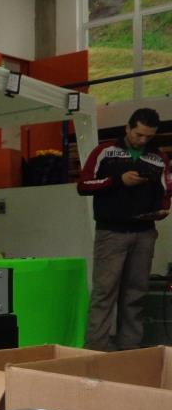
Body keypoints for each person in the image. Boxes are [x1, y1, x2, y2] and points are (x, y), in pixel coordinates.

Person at [78, 107, 169, 351]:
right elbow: (84, 184)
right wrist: (118, 180)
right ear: (127, 128)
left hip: (145, 232)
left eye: (149, 136)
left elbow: (165, 191)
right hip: (111, 232)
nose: (143, 140)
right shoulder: (105, 151)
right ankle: (95, 350)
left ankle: (129, 349)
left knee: (135, 293)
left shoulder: (158, 157)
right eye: (139, 134)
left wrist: (162, 209)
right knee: (104, 293)